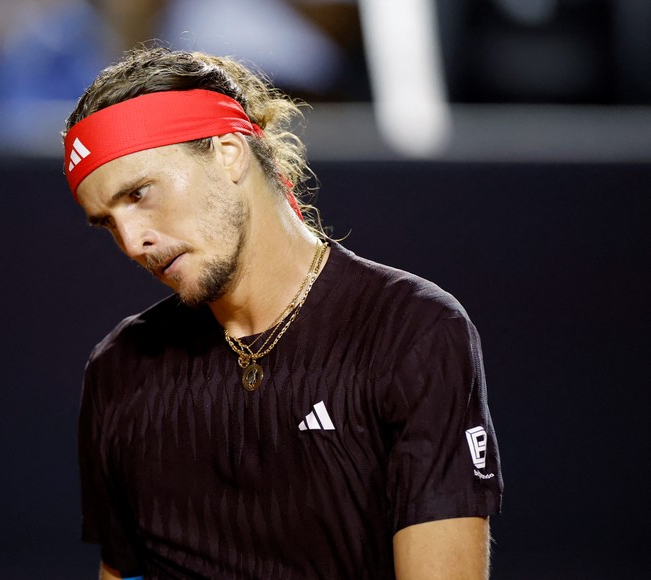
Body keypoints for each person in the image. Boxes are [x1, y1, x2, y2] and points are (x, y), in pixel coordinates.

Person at [63, 47, 503, 580]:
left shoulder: (412, 332)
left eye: (139, 194)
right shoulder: (119, 367)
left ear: (228, 153)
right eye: (108, 222)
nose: (133, 242)